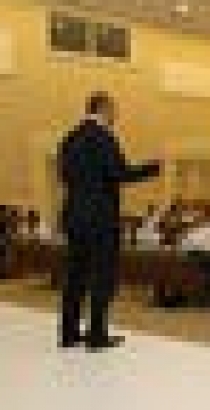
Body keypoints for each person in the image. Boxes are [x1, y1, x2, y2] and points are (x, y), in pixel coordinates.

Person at [57, 91, 161, 351]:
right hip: (100, 217)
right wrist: (152, 169)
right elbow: (119, 174)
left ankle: (69, 333)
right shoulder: (104, 138)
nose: (116, 116)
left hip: (73, 215)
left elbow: (64, 176)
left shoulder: (69, 138)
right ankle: (96, 336)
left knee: (75, 275)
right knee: (102, 276)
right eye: (113, 110)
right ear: (103, 109)